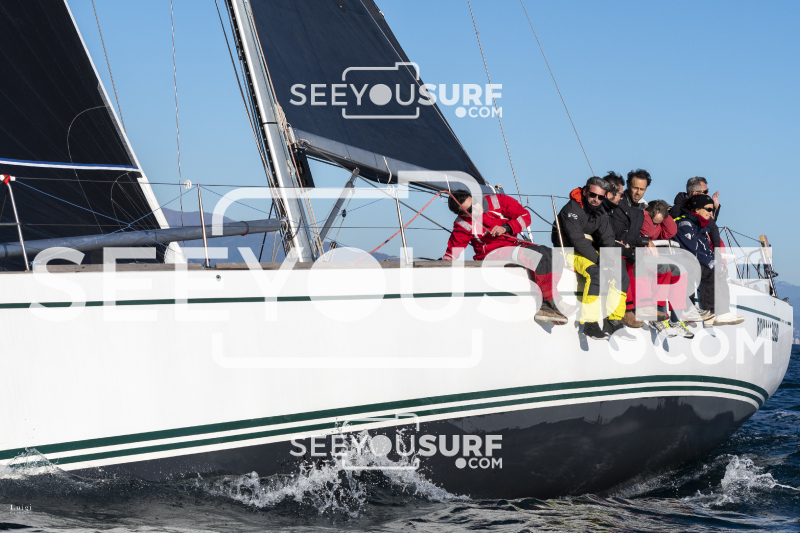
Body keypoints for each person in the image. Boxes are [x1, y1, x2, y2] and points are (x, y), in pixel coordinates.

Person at [443, 189, 568, 325]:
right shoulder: (462, 223)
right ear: (462, 213)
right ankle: (552, 303)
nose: (477, 208)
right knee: (537, 256)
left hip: (513, 246)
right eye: (470, 210)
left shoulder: (497, 201)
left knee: (555, 256)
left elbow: (525, 216)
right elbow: (453, 250)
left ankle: (548, 304)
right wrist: (444, 265)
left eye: (474, 203)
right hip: (491, 255)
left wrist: (506, 227)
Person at [552, 177, 631, 340]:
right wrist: (600, 261)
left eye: (600, 197)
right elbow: (577, 240)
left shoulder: (600, 211)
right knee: (597, 273)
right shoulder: (571, 209)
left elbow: (608, 237)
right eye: (593, 195)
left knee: (621, 275)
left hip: (589, 251)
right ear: (585, 191)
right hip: (568, 250)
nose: (596, 199)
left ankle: (614, 321)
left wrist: (608, 260)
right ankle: (590, 324)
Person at [672, 194, 744, 326]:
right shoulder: (685, 224)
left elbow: (705, 249)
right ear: (697, 209)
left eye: (712, 210)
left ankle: (721, 313)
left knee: (720, 272)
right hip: (685, 261)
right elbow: (691, 249)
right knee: (711, 273)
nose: (711, 213)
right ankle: (710, 312)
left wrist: (716, 263)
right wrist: (711, 263)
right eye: (708, 209)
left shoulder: (700, 225)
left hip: (695, 261)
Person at [639, 200, 695, 338]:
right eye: (654, 222)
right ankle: (658, 315)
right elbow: (648, 231)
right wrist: (646, 214)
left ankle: (675, 319)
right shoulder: (643, 221)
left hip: (654, 257)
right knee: (664, 270)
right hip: (640, 257)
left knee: (681, 271)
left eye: (659, 223)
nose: (656, 225)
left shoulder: (658, 224)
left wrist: (665, 213)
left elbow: (671, 231)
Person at [611, 169, 656, 327]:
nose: (638, 192)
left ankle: (645, 306)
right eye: (635, 188)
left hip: (630, 248)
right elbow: (619, 233)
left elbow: (643, 232)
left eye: (642, 189)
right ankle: (627, 310)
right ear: (629, 186)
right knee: (628, 266)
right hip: (615, 248)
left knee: (653, 265)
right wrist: (644, 241)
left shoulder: (641, 208)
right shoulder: (618, 204)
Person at [670, 176, 722, 247]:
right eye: (705, 191)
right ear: (694, 193)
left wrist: (715, 208)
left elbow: (712, 226)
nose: (708, 194)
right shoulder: (678, 211)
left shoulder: (699, 208)